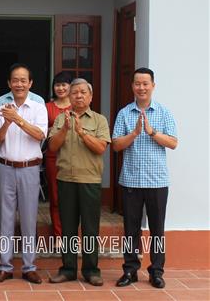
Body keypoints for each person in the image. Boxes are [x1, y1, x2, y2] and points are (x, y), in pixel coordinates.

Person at [112, 67, 178, 289]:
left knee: (157, 228)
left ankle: (156, 271)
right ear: (132, 86)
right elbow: (116, 145)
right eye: (137, 83)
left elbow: (173, 143)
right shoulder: (124, 113)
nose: (141, 87)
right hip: (131, 180)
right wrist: (134, 133)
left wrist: (151, 132)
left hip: (157, 181)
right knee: (131, 228)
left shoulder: (164, 112)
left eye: (145, 83)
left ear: (153, 86)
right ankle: (130, 270)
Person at [47, 78, 111, 287]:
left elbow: (101, 148)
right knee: (68, 228)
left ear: (90, 96)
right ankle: (68, 269)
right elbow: (53, 147)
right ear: (69, 96)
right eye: (75, 93)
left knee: (91, 228)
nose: (79, 96)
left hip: (89, 180)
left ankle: (91, 270)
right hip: (65, 179)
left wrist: (82, 133)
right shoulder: (60, 119)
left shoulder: (99, 120)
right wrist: (66, 129)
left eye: (83, 92)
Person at [0, 63, 48, 285]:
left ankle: (29, 267)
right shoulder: (1, 105)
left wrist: (19, 119)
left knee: (29, 218)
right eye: (15, 80)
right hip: (5, 167)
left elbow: (40, 134)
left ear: (30, 83)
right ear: (9, 83)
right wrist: (6, 122)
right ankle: (4, 267)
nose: (19, 84)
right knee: (5, 218)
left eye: (24, 80)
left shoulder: (38, 106)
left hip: (30, 168)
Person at [45, 72, 73, 238]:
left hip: (74, 157)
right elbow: (42, 131)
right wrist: (56, 131)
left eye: (64, 84)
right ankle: (58, 235)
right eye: (57, 85)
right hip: (53, 156)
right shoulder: (47, 107)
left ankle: (71, 235)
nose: (61, 88)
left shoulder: (77, 105)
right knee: (55, 197)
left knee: (72, 197)